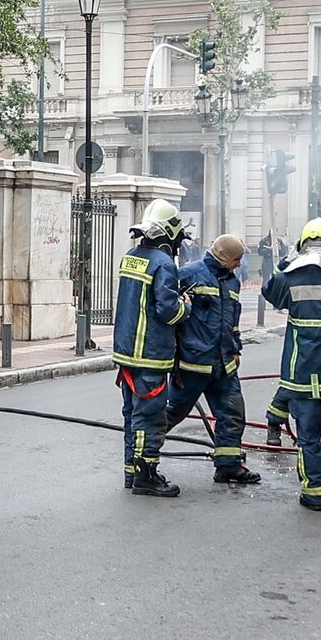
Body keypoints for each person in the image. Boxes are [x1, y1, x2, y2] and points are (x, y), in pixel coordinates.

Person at [164, 234, 262, 484]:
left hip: (224, 364)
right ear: (224, 257)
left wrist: (236, 348)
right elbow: (168, 312)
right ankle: (141, 456)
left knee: (232, 413)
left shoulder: (232, 281)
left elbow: (233, 321)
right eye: (237, 259)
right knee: (172, 412)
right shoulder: (188, 275)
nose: (239, 265)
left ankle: (228, 467)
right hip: (192, 365)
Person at [114, 199, 191, 497]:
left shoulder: (130, 256)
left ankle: (131, 474)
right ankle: (147, 476)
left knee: (131, 414)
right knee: (150, 416)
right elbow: (168, 312)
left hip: (126, 352)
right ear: (169, 234)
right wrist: (186, 305)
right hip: (150, 354)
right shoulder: (164, 264)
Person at [261, 219, 321, 511]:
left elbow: (269, 291)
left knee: (309, 439)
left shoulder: (293, 274)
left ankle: (314, 494)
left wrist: (286, 261)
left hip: (302, 374)